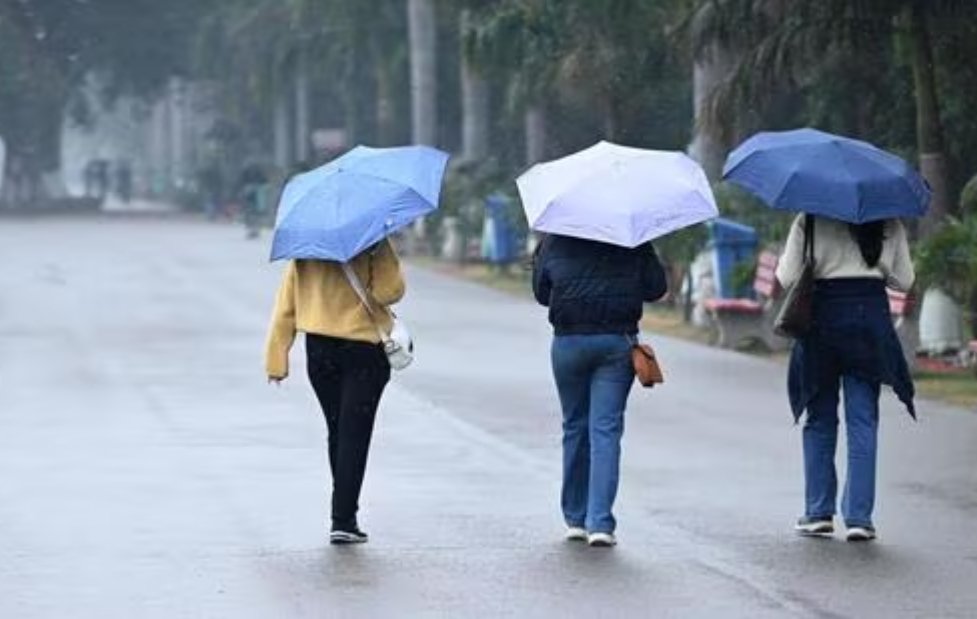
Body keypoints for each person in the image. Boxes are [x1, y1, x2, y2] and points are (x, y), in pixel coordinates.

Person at [776, 215, 915, 542]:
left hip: (821, 320)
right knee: (863, 420)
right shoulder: (888, 220)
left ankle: (818, 512)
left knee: (820, 418)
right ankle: (859, 518)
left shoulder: (809, 217)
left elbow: (786, 277)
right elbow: (904, 281)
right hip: (869, 322)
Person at [265, 241, 405, 544]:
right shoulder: (374, 242)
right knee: (355, 434)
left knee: (338, 430)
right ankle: (343, 519)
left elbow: (286, 304)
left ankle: (343, 515)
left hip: (319, 350)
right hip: (363, 351)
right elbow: (389, 292)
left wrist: (276, 357)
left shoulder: (307, 247)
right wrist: (382, 254)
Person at [532, 234, 668, 547]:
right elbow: (656, 288)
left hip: (568, 342)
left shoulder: (555, 239)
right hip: (616, 342)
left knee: (574, 427)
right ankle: (600, 524)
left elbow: (541, 294)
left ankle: (575, 519)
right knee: (605, 430)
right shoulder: (632, 238)